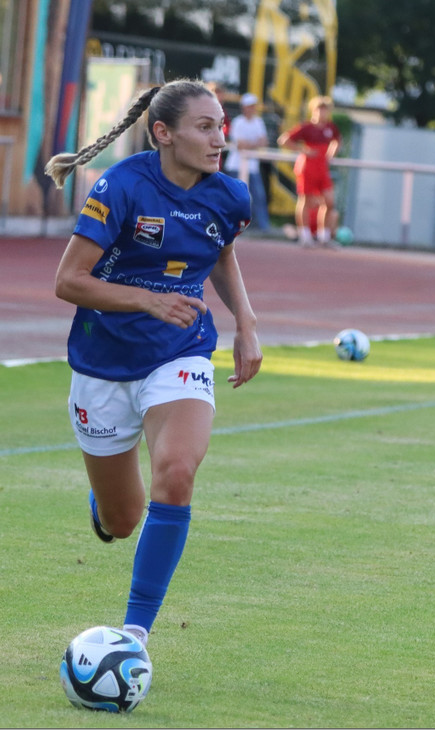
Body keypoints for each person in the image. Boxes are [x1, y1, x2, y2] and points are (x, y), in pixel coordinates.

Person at [45, 79, 263, 652]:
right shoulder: (121, 186)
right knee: (123, 521)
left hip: (181, 351)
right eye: (205, 127)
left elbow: (220, 252)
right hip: (103, 361)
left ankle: (134, 634)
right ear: (163, 133)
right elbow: (68, 281)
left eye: (221, 126)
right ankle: (108, 507)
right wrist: (147, 300)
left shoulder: (231, 196)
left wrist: (246, 323)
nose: (220, 139)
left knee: (177, 471)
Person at [277, 95, 341, 247]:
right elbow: (284, 140)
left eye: (325, 110)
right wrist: (303, 150)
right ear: (314, 110)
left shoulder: (330, 127)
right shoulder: (306, 127)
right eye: (320, 109)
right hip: (308, 168)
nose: (322, 113)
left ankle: (323, 235)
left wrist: (332, 153)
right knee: (305, 201)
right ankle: (305, 235)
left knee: (329, 202)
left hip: (322, 169)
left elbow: (337, 140)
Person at [225, 93, 273, 234]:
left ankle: (263, 228)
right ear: (244, 107)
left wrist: (249, 145)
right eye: (250, 106)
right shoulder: (238, 122)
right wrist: (255, 144)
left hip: (252, 167)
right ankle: (231, 225)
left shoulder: (258, 122)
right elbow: (241, 145)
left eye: (253, 106)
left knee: (259, 196)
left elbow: (263, 142)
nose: (252, 109)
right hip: (235, 166)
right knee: (235, 197)